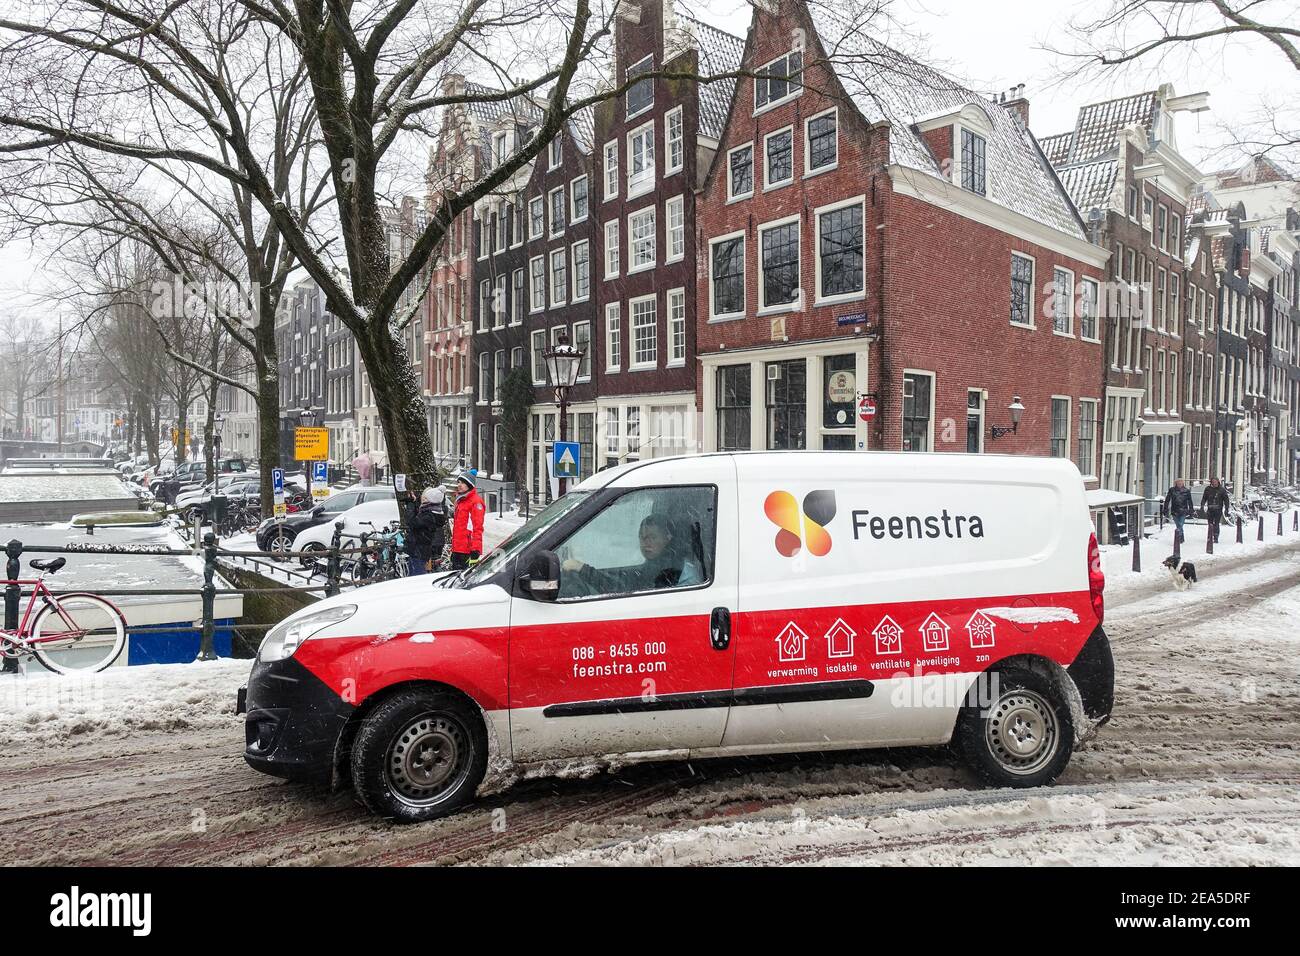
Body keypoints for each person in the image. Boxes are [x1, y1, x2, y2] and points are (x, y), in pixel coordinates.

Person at [562, 513, 703, 594]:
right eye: (642, 537)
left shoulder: (670, 566)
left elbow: (625, 588)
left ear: (668, 537)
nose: (645, 542)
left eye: (652, 537)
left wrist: (582, 568)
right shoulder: (659, 560)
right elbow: (630, 579)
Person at [403, 486, 447, 575]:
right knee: (416, 575)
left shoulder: (428, 516)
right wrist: (414, 503)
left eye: (426, 497)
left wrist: (410, 505)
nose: (422, 498)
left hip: (418, 551)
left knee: (416, 577)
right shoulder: (431, 512)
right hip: (420, 550)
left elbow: (411, 522)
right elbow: (417, 521)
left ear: (431, 500)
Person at [450, 471, 485, 570]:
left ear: (469, 485)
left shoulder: (475, 502)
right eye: (458, 482)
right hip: (458, 549)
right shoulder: (461, 500)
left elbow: (477, 527)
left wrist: (476, 549)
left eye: (463, 482)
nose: (459, 485)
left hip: (467, 551)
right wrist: (454, 549)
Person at [1201, 477, 1230, 543]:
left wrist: (1226, 508)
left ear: (1218, 482)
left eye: (1215, 481)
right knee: (1210, 523)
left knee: (1216, 523)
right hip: (1210, 508)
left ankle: (1216, 536)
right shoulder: (1208, 489)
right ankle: (1210, 536)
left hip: (1218, 508)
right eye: (1213, 482)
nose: (1214, 483)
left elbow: (1226, 499)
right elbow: (1204, 498)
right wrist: (1202, 505)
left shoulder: (1222, 490)